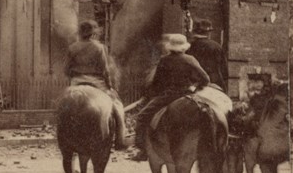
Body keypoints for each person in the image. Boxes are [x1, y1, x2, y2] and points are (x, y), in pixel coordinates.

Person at [131, 33, 211, 158]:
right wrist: (194, 87)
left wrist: (154, 95)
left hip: (168, 96)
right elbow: (206, 79)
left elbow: (157, 83)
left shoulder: (164, 60)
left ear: (170, 47)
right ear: (184, 47)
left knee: (142, 116)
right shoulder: (191, 59)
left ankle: (142, 150)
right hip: (188, 95)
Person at [64, 21, 128, 151]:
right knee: (117, 105)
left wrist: (75, 77)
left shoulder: (72, 47)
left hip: (76, 81)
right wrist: (109, 86)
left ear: (80, 33)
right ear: (93, 33)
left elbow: (66, 70)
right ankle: (120, 139)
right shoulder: (100, 47)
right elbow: (104, 69)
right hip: (96, 81)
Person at [187, 19, 228, 90]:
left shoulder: (189, 46)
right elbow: (224, 71)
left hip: (194, 84)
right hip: (214, 83)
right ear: (208, 33)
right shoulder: (216, 46)